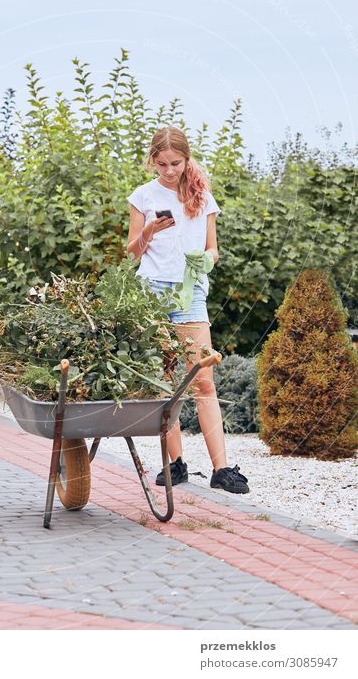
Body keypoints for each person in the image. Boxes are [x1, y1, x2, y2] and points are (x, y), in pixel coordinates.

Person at [126, 125, 249, 494]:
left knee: (203, 378)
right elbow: (131, 252)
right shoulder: (142, 195)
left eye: (175, 163)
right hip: (152, 293)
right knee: (165, 380)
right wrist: (149, 230)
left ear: (186, 158)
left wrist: (206, 260)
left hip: (190, 292)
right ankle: (175, 464)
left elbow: (213, 249)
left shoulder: (201, 194)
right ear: (153, 161)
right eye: (161, 163)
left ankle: (222, 469)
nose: (169, 170)